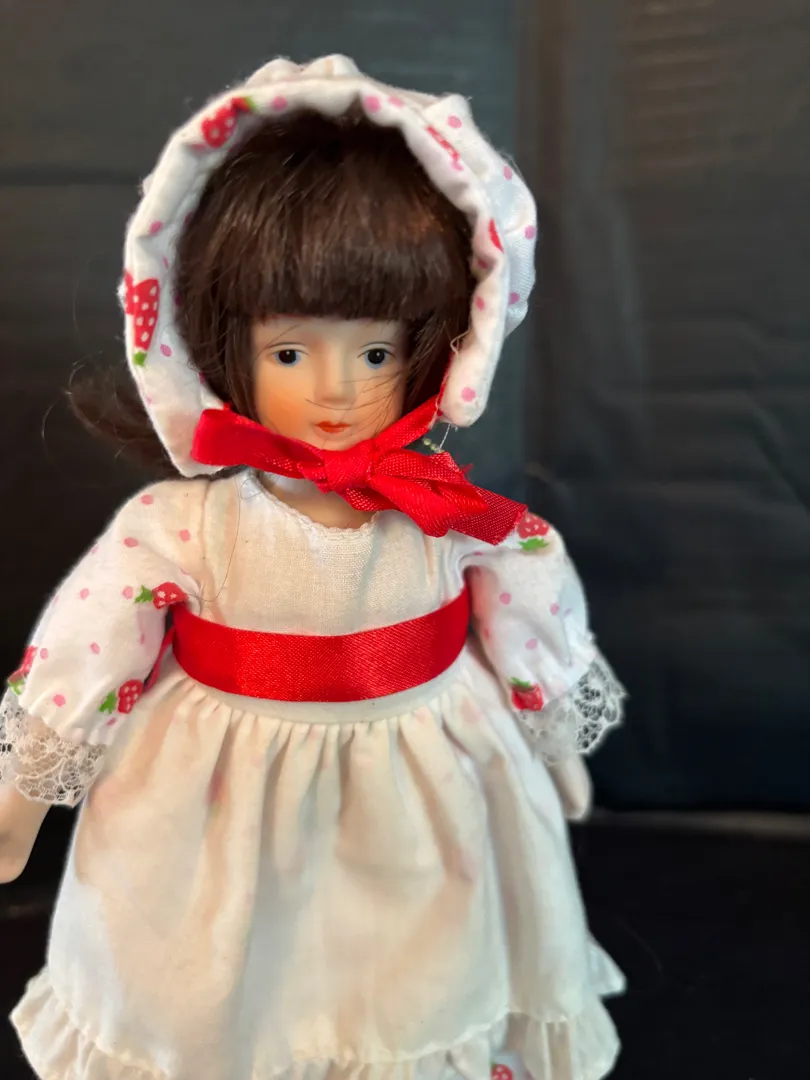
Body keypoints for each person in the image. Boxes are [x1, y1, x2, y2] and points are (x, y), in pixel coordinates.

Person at [0, 55, 625, 1080]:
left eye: (376, 354)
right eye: (290, 353)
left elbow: (529, 601)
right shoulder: (185, 527)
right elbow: (91, 643)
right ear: (217, 346)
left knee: (420, 974)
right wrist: (24, 795)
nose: (336, 389)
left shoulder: (445, 513)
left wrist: (553, 737)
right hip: (220, 795)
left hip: (423, 783)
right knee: (213, 984)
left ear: (444, 347)